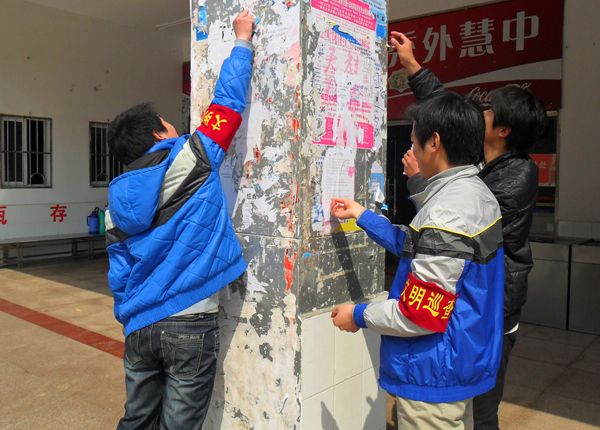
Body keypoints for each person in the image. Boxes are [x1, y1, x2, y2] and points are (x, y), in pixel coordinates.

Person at [104, 11, 255, 430]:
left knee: (137, 420)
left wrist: (131, 314)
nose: (175, 125)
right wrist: (242, 40)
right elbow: (228, 102)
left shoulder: (113, 204)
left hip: (139, 325)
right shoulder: (194, 155)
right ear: (159, 135)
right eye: (168, 122)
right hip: (189, 320)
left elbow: (119, 272)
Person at [390, 31, 546, 430]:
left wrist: (420, 182)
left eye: (490, 111)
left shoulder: (515, 177)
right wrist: (411, 64)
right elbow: (449, 109)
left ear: (503, 130)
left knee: (481, 408)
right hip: (468, 297)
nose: (482, 113)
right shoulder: (479, 157)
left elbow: (453, 227)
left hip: (492, 305)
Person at [330, 90, 505, 430]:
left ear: (434, 142)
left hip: (434, 372)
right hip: (463, 357)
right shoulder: (476, 194)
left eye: (413, 141)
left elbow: (420, 315)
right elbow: (421, 247)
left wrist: (359, 315)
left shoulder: (447, 213)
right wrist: (364, 216)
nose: (410, 150)